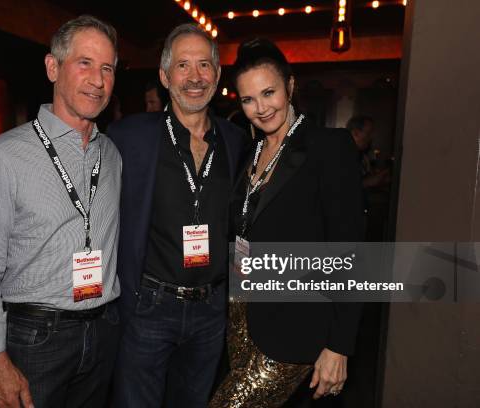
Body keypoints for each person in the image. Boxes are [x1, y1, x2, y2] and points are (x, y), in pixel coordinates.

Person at [0, 15, 122, 408]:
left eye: (107, 67)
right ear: (53, 67)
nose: (98, 79)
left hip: (105, 330)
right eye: (84, 63)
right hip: (35, 338)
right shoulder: (3, 157)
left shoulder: (113, 155)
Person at [210, 39, 364, 407]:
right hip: (242, 316)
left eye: (269, 93)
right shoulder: (251, 151)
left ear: (290, 86)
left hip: (295, 324)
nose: (261, 109)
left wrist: (339, 346)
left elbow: (350, 250)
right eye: (248, 100)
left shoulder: (330, 147)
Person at [109, 24, 245, 407]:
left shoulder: (235, 142)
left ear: (217, 76)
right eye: (183, 65)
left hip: (211, 308)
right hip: (149, 305)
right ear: (165, 76)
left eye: (204, 65)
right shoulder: (129, 137)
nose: (195, 77)